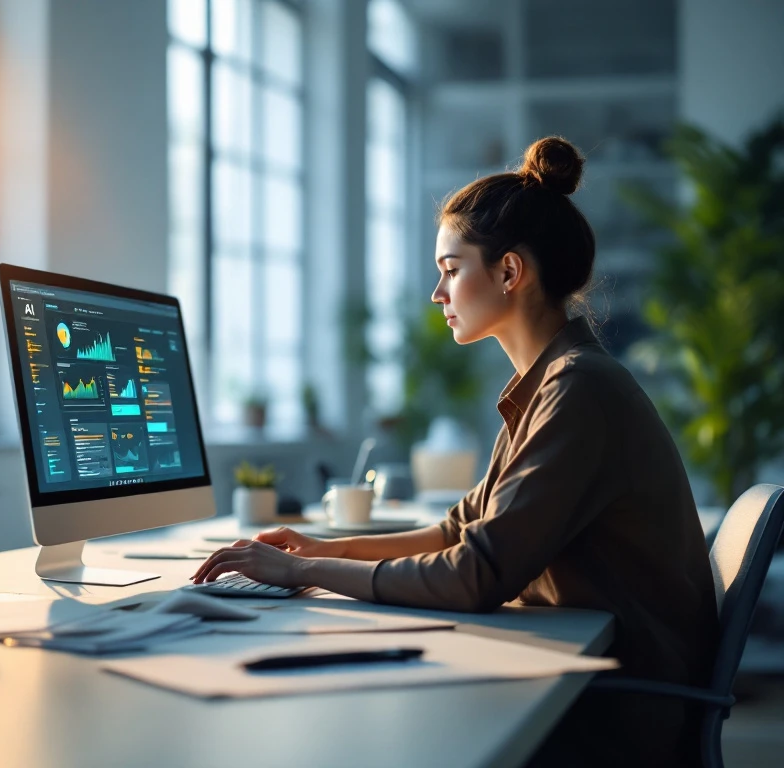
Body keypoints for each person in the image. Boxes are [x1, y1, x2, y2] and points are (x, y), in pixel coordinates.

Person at [191, 136, 719, 767]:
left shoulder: (577, 390)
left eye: (449, 269)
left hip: (617, 711)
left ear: (509, 272)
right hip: (596, 677)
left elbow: (475, 575)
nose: (436, 294)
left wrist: (303, 575)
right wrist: (320, 550)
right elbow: (456, 530)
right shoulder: (554, 383)